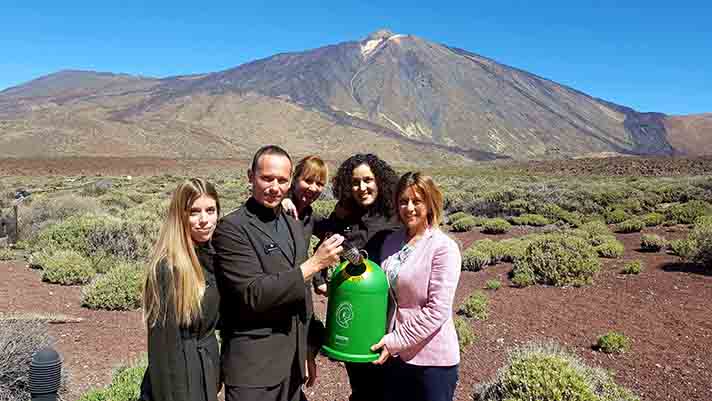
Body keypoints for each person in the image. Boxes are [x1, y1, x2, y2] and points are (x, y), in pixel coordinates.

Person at [213, 145, 344, 401]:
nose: (275, 187)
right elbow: (253, 293)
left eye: (282, 180)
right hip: (253, 369)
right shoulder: (231, 229)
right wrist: (314, 265)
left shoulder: (292, 224)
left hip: (292, 366)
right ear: (250, 177)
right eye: (267, 178)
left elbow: (302, 296)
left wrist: (307, 347)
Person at [316, 153, 401, 401]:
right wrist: (319, 279)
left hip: (393, 315)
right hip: (357, 321)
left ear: (380, 181)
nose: (362, 188)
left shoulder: (395, 214)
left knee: (393, 388)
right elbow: (325, 239)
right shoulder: (345, 215)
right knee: (363, 388)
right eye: (355, 182)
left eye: (368, 180)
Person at [371, 172, 462, 401]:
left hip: (432, 362)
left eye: (417, 201)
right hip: (396, 358)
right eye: (403, 201)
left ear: (430, 204)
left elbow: (437, 311)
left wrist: (394, 341)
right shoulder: (392, 242)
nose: (409, 208)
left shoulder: (444, 248)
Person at [140, 178, 221, 401]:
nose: (204, 220)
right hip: (180, 380)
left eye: (211, 210)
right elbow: (164, 350)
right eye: (194, 212)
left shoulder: (209, 254)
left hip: (206, 371)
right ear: (180, 215)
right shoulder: (168, 268)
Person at [282, 155, 330, 294]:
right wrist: (281, 200)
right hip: (275, 293)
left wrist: (319, 279)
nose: (313, 188)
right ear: (294, 179)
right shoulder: (279, 209)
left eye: (319, 184)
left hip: (300, 290)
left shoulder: (309, 216)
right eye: (308, 181)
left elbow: (332, 235)